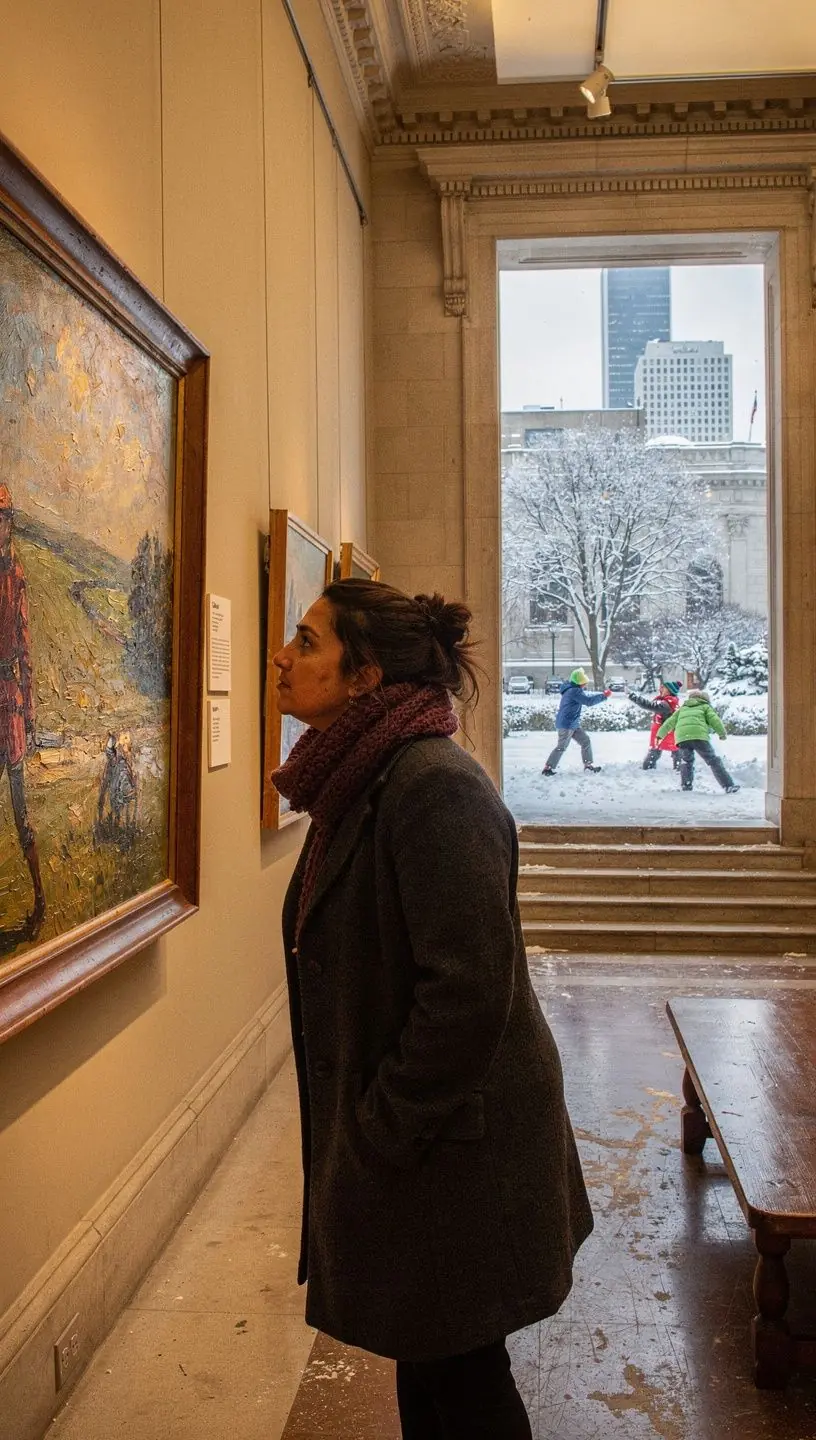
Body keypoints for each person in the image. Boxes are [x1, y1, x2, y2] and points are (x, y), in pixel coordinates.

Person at [272, 579, 592, 1440]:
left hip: (454, 1147)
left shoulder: (431, 787)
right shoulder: (362, 777)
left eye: (308, 641)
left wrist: (382, 1127)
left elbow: (468, 992)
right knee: (433, 1362)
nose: (282, 658)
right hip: (431, 1142)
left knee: (464, 1381)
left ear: (365, 675)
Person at [0, 484, 45, 935]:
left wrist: (28, 715)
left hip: (9, 706)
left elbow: (26, 651)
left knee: (20, 812)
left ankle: (39, 900)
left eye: (2, 518)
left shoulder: (16, 575)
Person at [656, 688, 740, 794]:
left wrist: (659, 735)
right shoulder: (705, 706)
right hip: (699, 736)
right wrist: (722, 733)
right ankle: (728, 786)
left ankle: (686, 786)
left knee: (686, 762)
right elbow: (715, 720)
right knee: (713, 761)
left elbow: (669, 722)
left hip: (682, 738)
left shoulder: (682, 709)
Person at [541, 666, 612, 775]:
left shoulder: (571, 689)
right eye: (584, 683)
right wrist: (604, 696)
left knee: (585, 741)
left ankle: (588, 766)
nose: (585, 685)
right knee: (561, 747)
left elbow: (587, 697)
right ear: (579, 682)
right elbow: (588, 701)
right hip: (567, 724)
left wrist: (601, 695)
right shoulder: (574, 691)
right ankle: (547, 768)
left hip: (572, 724)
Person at [628, 679, 682, 770]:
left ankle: (648, 767)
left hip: (665, 732)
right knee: (675, 751)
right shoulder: (670, 701)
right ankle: (680, 767)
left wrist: (634, 697)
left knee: (656, 751)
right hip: (668, 731)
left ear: (669, 691)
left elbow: (650, 706)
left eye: (663, 688)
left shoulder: (667, 703)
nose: (661, 689)